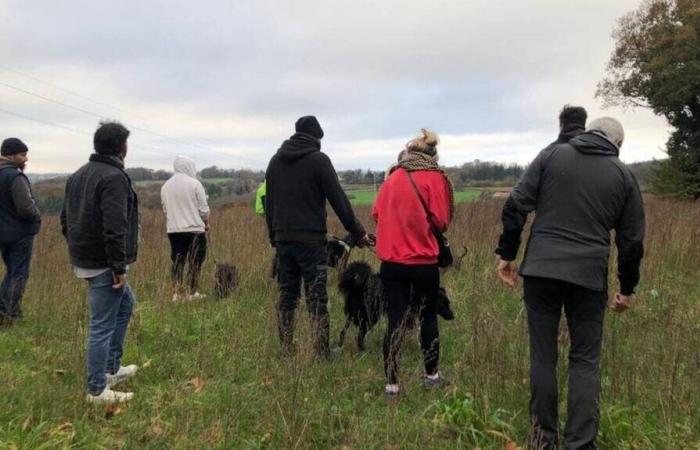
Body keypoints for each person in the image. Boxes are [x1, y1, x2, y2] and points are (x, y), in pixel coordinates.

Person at [495, 117, 645, 449]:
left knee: (543, 355)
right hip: (588, 279)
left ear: (589, 132)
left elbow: (516, 203)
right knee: (585, 359)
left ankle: (542, 439)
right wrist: (627, 288)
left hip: (540, 272)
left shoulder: (550, 156)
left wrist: (507, 253)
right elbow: (632, 241)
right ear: (617, 144)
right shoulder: (623, 175)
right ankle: (580, 443)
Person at [265, 115, 369, 359]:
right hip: (311, 241)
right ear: (317, 137)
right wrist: (358, 232)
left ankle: (286, 350)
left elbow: (269, 204)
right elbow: (339, 201)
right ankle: (322, 352)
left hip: (283, 239)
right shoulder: (319, 161)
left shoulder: (274, 161)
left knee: (287, 295)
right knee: (317, 296)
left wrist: (274, 236)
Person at [61, 121, 140, 404]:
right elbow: (115, 225)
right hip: (105, 262)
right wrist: (118, 266)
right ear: (122, 147)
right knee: (101, 324)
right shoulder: (114, 177)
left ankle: (111, 368)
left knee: (127, 305)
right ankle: (96, 388)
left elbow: (64, 220)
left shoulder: (78, 175)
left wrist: (77, 249)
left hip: (87, 258)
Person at [372, 128, 453, 398]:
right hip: (423, 263)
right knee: (428, 316)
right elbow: (441, 221)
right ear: (433, 155)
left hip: (391, 264)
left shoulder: (393, 177)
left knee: (395, 320)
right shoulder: (435, 178)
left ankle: (392, 386)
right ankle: (431, 376)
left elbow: (376, 214)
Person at [0, 138, 41, 326]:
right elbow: (25, 207)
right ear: (9, 155)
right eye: (22, 155)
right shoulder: (14, 176)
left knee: (11, 273)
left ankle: (9, 311)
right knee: (18, 274)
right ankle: (7, 315)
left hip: (4, 233)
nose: (26, 159)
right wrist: (36, 216)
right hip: (19, 234)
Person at [160, 156, 210, 301]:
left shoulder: (165, 186)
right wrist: (206, 223)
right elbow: (204, 210)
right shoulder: (195, 184)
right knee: (195, 261)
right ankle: (192, 292)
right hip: (194, 229)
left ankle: (176, 293)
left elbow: (165, 209)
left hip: (174, 230)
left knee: (177, 261)